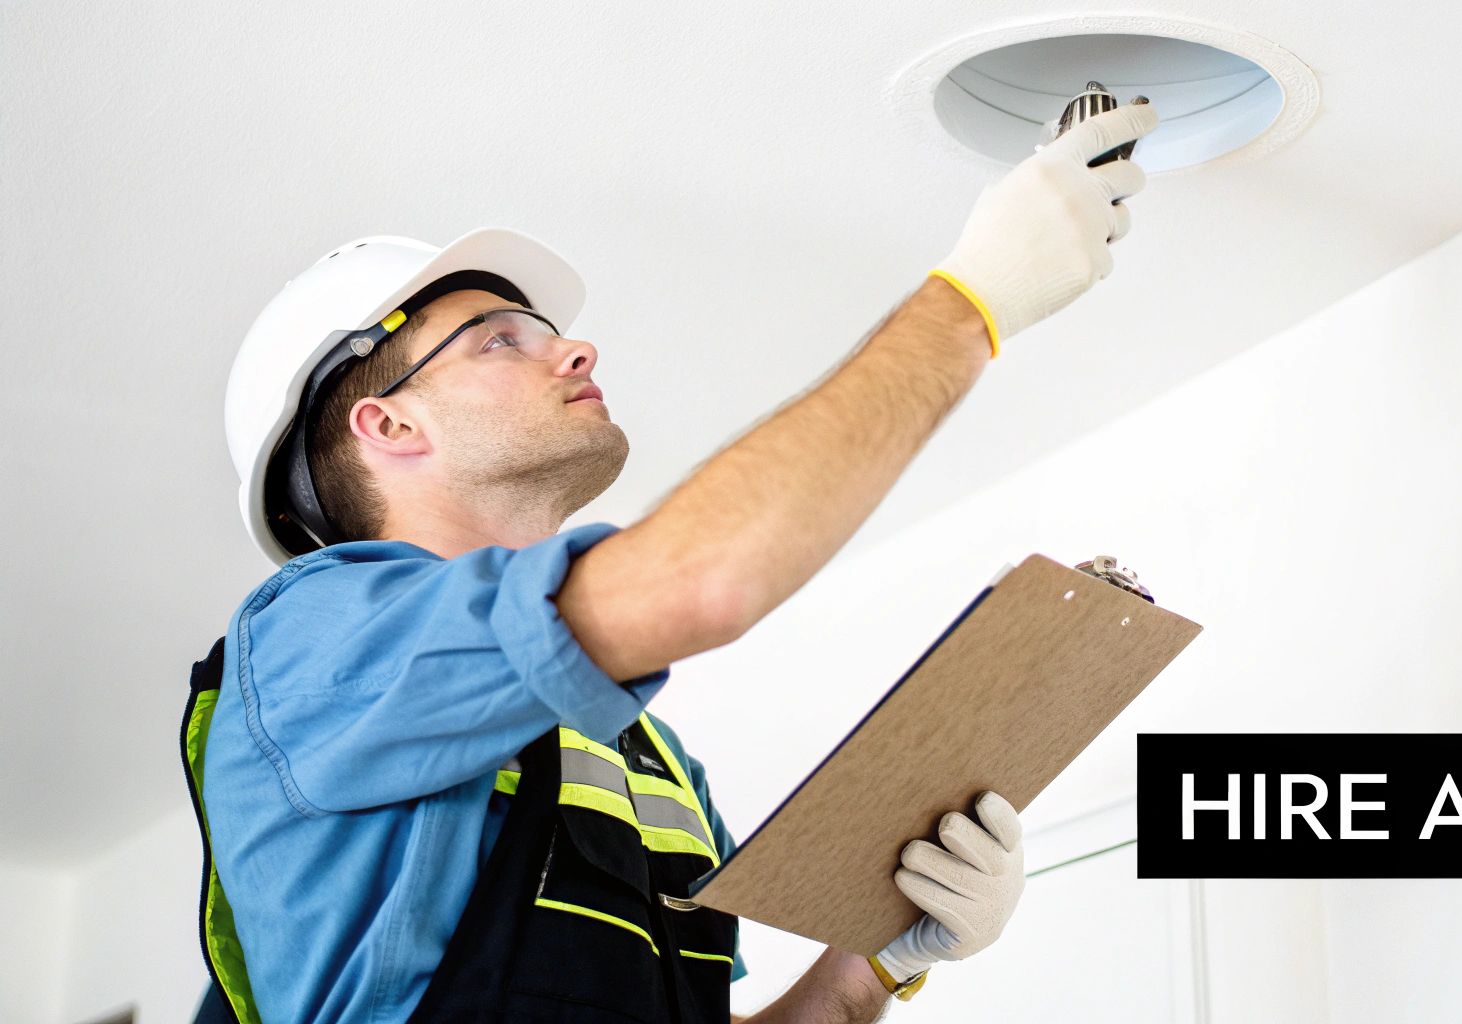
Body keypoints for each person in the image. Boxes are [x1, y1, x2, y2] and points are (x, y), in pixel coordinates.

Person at [189, 102, 1158, 1023]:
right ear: (388, 423)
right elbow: (705, 580)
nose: (575, 351)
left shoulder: (647, 758)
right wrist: (968, 304)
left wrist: (876, 960)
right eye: (499, 342)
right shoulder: (315, 639)